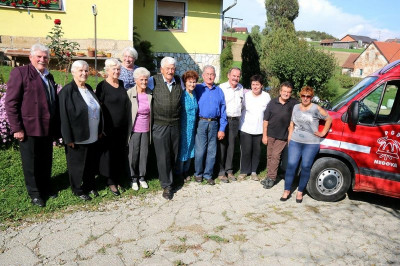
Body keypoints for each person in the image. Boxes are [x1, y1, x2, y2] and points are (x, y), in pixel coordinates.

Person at [5, 44, 59, 207]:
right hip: (29, 127)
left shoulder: (49, 76)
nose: (43, 59)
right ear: (31, 57)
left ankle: (45, 186)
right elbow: (11, 102)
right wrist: (17, 128)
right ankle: (35, 193)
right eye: (39, 56)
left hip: (46, 127)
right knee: (31, 162)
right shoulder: (20, 73)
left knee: (45, 159)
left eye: (45, 57)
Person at [59, 60, 103, 201]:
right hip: (77, 136)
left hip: (92, 134)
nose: (84, 73)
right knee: (77, 165)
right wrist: (68, 138)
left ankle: (90, 185)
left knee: (90, 163)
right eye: (80, 70)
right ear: (73, 72)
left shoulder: (88, 88)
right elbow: (63, 116)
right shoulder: (67, 91)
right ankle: (77, 189)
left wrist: (100, 129)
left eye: (86, 70)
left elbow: (97, 108)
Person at [280, 86, 332, 203]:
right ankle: (287, 190)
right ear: (300, 96)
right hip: (295, 141)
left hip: (311, 143)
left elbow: (329, 119)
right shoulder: (295, 107)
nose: (305, 98)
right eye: (303, 96)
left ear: (311, 97)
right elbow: (292, 123)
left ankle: (300, 192)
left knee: (305, 167)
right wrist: (290, 137)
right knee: (291, 165)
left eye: (308, 96)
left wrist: (323, 132)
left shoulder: (315, 108)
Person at [148, 57, 182, 200]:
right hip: (160, 124)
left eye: (172, 68)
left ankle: (172, 177)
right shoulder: (153, 80)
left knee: (173, 154)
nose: (170, 71)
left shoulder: (178, 81)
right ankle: (167, 185)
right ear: (161, 69)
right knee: (163, 156)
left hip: (175, 124)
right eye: (167, 68)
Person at [96, 58, 130, 196]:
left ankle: (119, 178)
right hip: (108, 128)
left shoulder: (121, 84)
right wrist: (100, 128)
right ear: (107, 71)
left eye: (118, 69)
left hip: (122, 127)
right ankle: (110, 181)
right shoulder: (102, 86)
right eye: (113, 69)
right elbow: (97, 108)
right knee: (109, 155)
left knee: (120, 154)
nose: (116, 71)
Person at [194, 65, 227, 185]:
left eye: (212, 74)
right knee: (200, 150)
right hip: (201, 123)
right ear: (203, 76)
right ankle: (198, 173)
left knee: (212, 151)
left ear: (215, 76)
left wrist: (222, 128)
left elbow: (223, 111)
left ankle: (208, 175)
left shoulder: (219, 91)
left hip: (214, 123)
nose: (210, 76)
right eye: (207, 74)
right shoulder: (197, 88)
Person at [261, 82, 298, 189]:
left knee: (276, 156)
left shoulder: (293, 104)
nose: (286, 94)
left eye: (288, 92)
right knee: (269, 156)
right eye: (284, 91)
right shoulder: (272, 103)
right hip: (270, 134)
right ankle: (269, 176)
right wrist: (264, 135)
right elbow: (265, 120)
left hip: (283, 135)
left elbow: (302, 110)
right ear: (280, 91)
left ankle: (272, 179)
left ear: (291, 93)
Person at [238, 75, 271, 180]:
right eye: (253, 84)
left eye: (257, 84)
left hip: (259, 129)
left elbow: (268, 113)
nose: (255, 86)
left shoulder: (266, 97)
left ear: (261, 85)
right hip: (245, 128)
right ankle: (243, 171)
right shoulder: (246, 96)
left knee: (256, 151)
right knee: (246, 150)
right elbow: (240, 109)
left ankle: (253, 172)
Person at [127, 67, 152, 191]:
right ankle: (133, 178)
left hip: (146, 129)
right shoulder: (130, 93)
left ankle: (142, 177)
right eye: (141, 79)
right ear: (136, 80)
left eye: (146, 80)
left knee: (144, 154)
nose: (144, 82)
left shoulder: (150, 93)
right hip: (134, 129)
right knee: (133, 154)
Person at [217, 67, 243, 183]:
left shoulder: (241, 88)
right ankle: (221, 171)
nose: (235, 78)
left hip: (235, 120)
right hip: (223, 119)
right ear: (228, 75)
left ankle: (229, 170)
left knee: (231, 146)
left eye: (238, 76)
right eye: (234, 75)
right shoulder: (221, 88)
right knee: (222, 146)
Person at [177, 70, 199, 183]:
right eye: (190, 82)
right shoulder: (182, 94)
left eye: (194, 82)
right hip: (184, 127)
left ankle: (186, 170)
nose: (192, 84)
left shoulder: (194, 94)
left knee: (191, 149)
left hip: (193, 126)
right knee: (183, 149)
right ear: (185, 82)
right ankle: (179, 172)